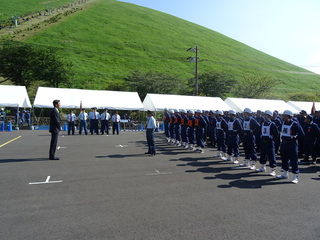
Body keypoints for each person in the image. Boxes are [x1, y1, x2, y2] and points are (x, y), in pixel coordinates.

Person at [277, 110, 304, 184]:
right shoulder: (282, 123)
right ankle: (285, 173)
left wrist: (294, 138)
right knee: (284, 159)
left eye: (285, 116)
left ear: (289, 116)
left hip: (291, 144)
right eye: (283, 116)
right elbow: (279, 130)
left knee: (293, 160)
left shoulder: (295, 124)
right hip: (284, 143)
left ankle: (295, 176)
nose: (283, 117)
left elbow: (301, 134)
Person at [255, 110, 279, 176]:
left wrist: (272, 140)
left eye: (266, 115)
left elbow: (276, 134)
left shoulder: (272, 124)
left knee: (271, 155)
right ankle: (263, 167)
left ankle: (273, 170)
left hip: (269, 142)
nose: (265, 116)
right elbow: (260, 131)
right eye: (265, 115)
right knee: (262, 155)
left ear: (269, 116)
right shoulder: (263, 123)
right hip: (263, 141)